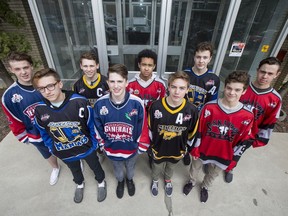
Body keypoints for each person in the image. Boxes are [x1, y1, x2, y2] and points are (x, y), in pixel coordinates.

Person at [32, 68, 107, 204]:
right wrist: (52, 148)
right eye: (42, 89)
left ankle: (101, 181)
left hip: (86, 147)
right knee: (74, 169)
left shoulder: (79, 102)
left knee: (95, 165)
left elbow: (91, 125)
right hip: (63, 150)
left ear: (60, 84)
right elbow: (43, 132)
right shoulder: (40, 109)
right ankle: (79, 183)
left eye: (50, 86)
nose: (47, 91)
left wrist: (94, 144)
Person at [183, 71, 254, 203]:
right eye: (229, 88)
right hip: (203, 149)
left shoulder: (247, 115)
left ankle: (205, 187)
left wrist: (235, 158)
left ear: (244, 91)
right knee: (195, 168)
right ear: (225, 87)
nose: (232, 93)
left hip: (223, 153)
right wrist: (195, 147)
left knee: (213, 174)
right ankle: (191, 182)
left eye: (237, 90)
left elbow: (243, 141)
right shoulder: (210, 107)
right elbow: (199, 129)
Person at [1, 52, 60, 186]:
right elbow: (13, 120)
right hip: (36, 132)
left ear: (31, 66)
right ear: (11, 70)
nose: (23, 72)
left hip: (57, 127)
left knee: (67, 147)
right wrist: (24, 137)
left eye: (25, 67)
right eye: (17, 69)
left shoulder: (45, 84)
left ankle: (75, 162)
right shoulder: (9, 96)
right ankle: (55, 168)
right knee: (46, 152)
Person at [93, 64, 150, 199]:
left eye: (119, 81)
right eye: (112, 81)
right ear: (107, 82)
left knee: (130, 169)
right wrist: (102, 144)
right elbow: (97, 126)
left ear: (126, 82)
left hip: (131, 148)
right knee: (118, 170)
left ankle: (129, 180)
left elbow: (143, 126)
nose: (116, 85)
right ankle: (120, 182)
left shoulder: (137, 103)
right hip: (112, 148)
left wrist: (141, 146)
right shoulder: (100, 104)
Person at [222, 57, 283, 183]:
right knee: (219, 148)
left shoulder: (275, 99)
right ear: (257, 70)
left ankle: (230, 168)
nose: (265, 76)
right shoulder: (241, 88)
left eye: (270, 73)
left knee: (236, 154)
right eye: (262, 71)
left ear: (277, 75)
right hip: (228, 128)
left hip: (247, 135)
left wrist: (259, 139)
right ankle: (213, 163)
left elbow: (270, 121)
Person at [148, 71, 199, 197]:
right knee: (156, 167)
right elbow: (150, 129)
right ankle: (155, 180)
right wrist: (151, 146)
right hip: (158, 148)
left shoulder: (192, 110)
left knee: (171, 167)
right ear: (168, 87)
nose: (177, 92)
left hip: (177, 149)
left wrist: (189, 148)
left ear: (187, 90)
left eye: (182, 88)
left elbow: (193, 132)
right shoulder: (156, 106)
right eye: (174, 87)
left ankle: (167, 180)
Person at [127, 49, 166, 168]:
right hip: (136, 120)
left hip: (153, 120)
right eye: (144, 64)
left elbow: (163, 105)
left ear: (154, 66)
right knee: (134, 140)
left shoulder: (160, 84)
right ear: (139, 64)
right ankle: (131, 159)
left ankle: (150, 155)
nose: (146, 68)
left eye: (150, 65)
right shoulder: (130, 84)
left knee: (152, 140)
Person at [183, 41, 220, 166]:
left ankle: (193, 151)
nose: (201, 60)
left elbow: (212, 102)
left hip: (201, 115)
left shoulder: (214, 79)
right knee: (183, 134)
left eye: (205, 57)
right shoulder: (185, 74)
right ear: (194, 57)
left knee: (197, 137)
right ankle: (185, 152)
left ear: (210, 59)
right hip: (185, 113)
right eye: (198, 57)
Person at [73, 51, 109, 163]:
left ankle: (105, 150)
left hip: (104, 118)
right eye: (85, 66)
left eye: (92, 65)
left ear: (97, 65)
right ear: (81, 66)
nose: (89, 69)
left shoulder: (106, 82)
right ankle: (98, 151)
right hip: (88, 119)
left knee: (105, 135)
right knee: (92, 137)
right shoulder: (77, 85)